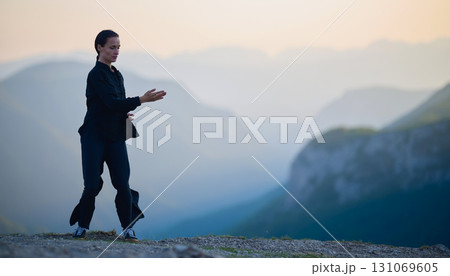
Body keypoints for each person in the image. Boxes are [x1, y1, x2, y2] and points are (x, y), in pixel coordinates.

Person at [69, 30, 166, 242]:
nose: (116, 51)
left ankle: (128, 228)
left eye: (119, 47)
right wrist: (142, 99)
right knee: (92, 185)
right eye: (112, 47)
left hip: (114, 135)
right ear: (99, 48)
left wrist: (125, 115)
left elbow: (115, 104)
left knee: (122, 183)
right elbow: (111, 102)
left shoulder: (117, 74)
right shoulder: (95, 74)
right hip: (94, 135)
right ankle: (82, 226)